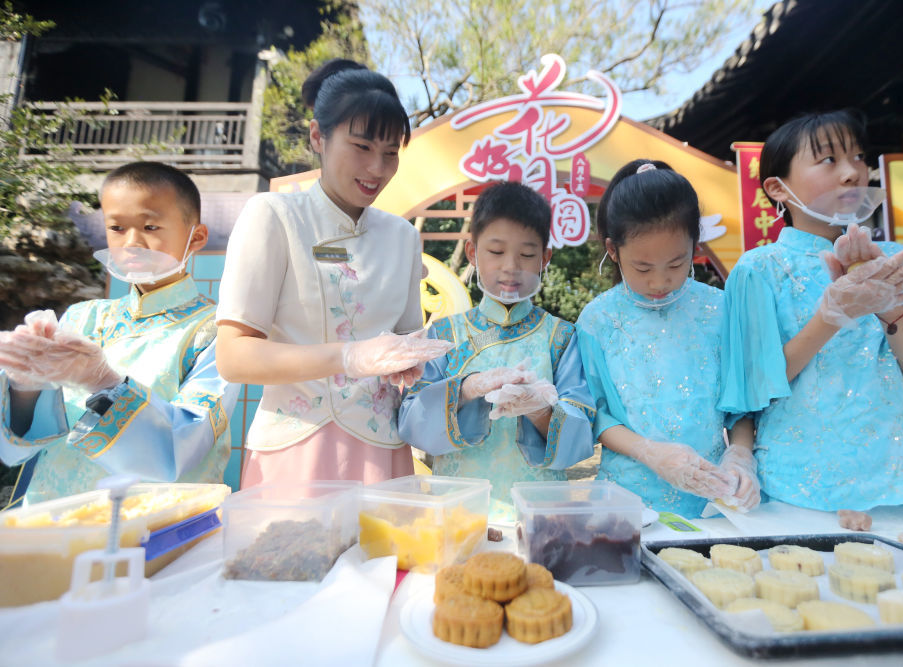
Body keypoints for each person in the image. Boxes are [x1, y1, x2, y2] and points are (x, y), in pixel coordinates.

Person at [718, 110, 903, 512]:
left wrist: (890, 308)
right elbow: (754, 389)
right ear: (778, 188)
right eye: (829, 160)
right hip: (797, 489)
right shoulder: (758, 269)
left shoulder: (900, 260)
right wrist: (830, 317)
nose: (852, 173)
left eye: (859, 157)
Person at [215, 60, 451, 488]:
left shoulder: (401, 237)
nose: (378, 169)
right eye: (361, 146)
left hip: (383, 453)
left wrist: (427, 370)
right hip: (293, 453)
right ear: (317, 137)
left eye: (391, 153)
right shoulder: (274, 216)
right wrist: (346, 357)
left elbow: (407, 350)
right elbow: (233, 358)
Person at [0, 162, 239, 505]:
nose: (132, 243)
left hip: (151, 525)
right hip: (51, 515)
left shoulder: (216, 332)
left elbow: (184, 447)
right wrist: (25, 385)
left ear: (196, 237)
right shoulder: (82, 318)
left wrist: (103, 381)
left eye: (150, 226)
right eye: (116, 228)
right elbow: (23, 441)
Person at [398, 181, 596, 519]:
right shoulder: (445, 333)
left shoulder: (562, 338)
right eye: (496, 251)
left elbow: (582, 438)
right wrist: (466, 389)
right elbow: (410, 421)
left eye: (527, 254)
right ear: (473, 252)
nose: (510, 266)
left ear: (545, 258)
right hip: (460, 512)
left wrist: (538, 410)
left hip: (539, 516)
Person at [574, 160, 756, 517]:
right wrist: (651, 452)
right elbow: (599, 415)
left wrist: (741, 456)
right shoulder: (597, 320)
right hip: (624, 501)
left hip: (714, 499)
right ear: (613, 251)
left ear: (695, 245)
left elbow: (742, 407)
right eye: (642, 268)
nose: (660, 282)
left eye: (676, 264)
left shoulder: (720, 309)